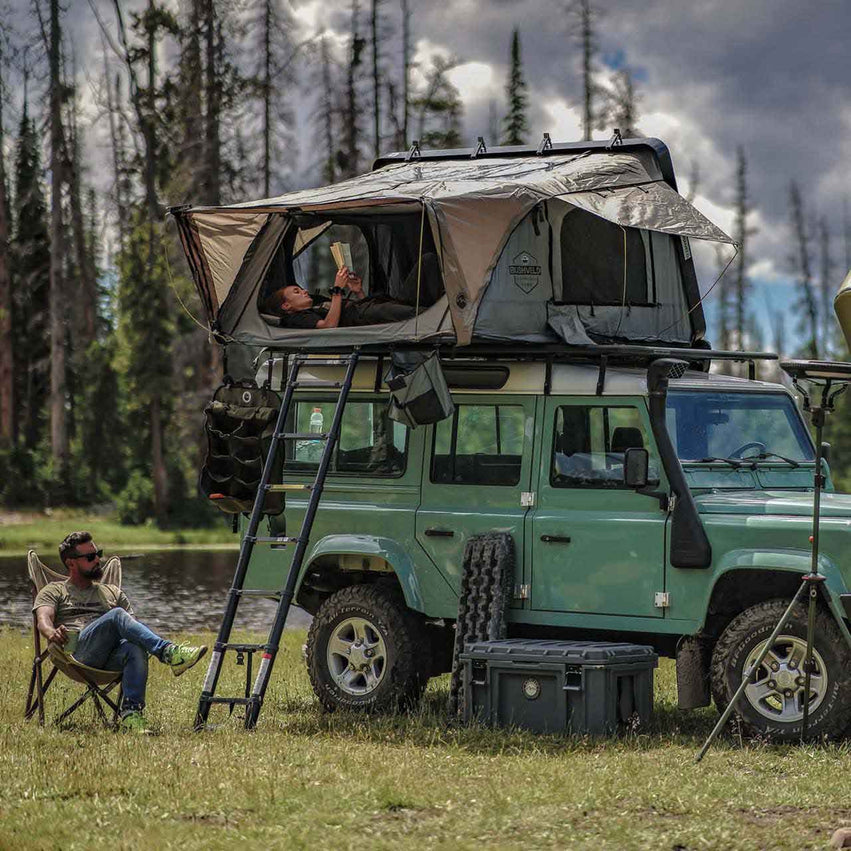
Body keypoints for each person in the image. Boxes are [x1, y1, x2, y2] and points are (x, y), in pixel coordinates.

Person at [33, 531, 208, 733]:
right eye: (90, 557)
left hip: (110, 658)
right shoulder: (54, 590)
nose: (97, 559)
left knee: (135, 646)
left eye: (98, 553)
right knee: (116, 615)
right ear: (71, 563)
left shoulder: (112, 592)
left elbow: (133, 628)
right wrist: (52, 633)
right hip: (74, 654)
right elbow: (43, 619)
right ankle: (169, 653)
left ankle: (131, 715)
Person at [264, 266, 422, 330]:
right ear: (286, 306)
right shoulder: (298, 317)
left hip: (373, 304)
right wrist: (337, 290)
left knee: (426, 261)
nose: (304, 291)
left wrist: (358, 292)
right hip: (369, 313)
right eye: (297, 292)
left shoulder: (317, 303)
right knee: (418, 314)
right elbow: (328, 326)